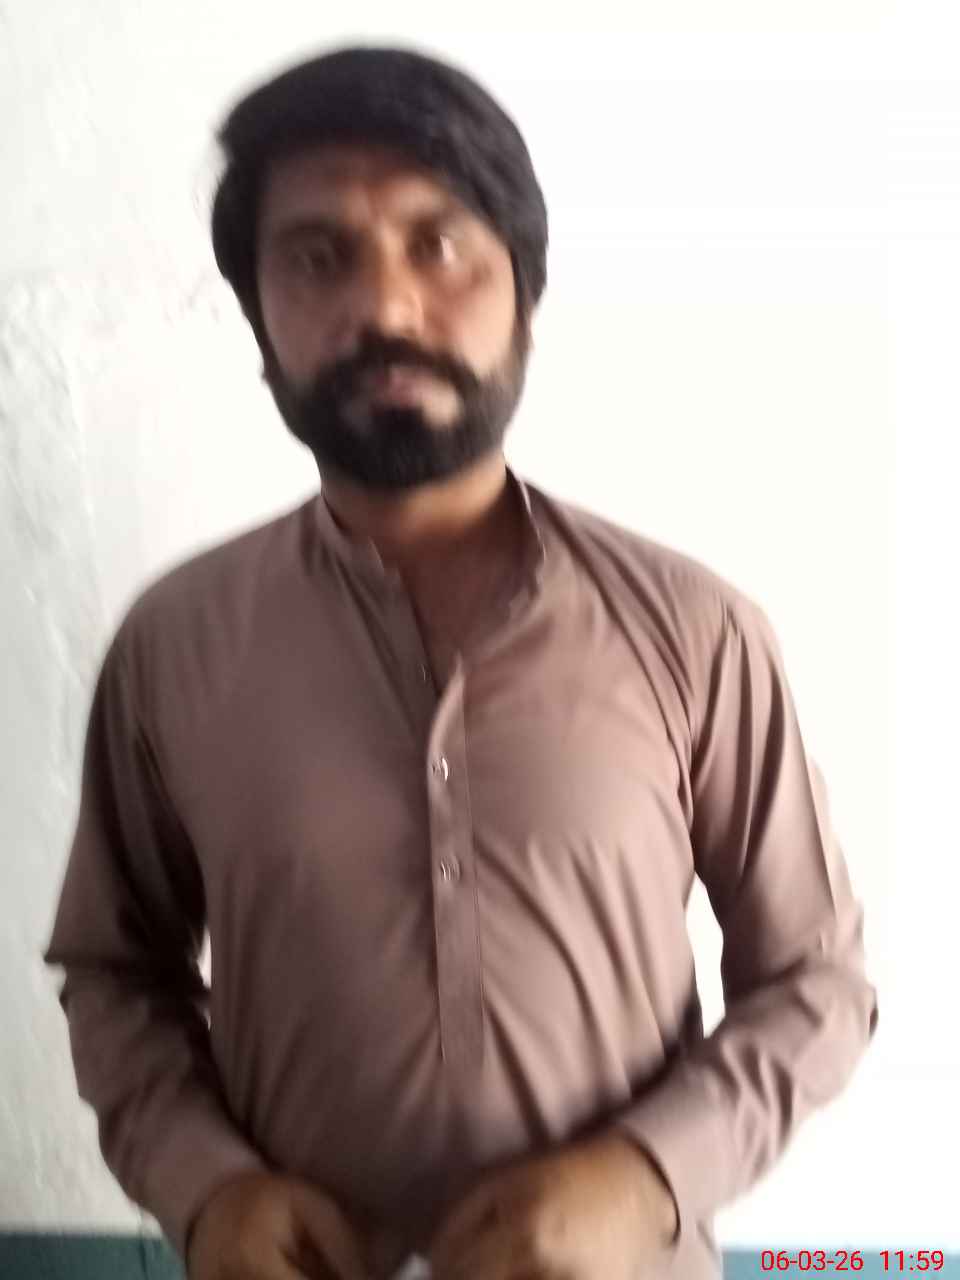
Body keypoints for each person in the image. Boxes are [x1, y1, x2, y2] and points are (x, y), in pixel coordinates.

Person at [44, 44, 879, 1280]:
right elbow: (117, 972)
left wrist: (649, 1173)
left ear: (525, 302)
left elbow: (817, 982)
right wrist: (206, 1185)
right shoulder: (173, 646)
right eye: (318, 257)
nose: (386, 309)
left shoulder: (694, 631)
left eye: (438, 246)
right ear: (258, 321)